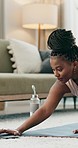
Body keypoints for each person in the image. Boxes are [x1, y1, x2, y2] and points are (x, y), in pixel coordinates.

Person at [0, 28, 78, 135]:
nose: (56, 74)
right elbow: (45, 110)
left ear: (74, 64)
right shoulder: (62, 84)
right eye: (53, 70)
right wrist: (19, 129)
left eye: (59, 69)